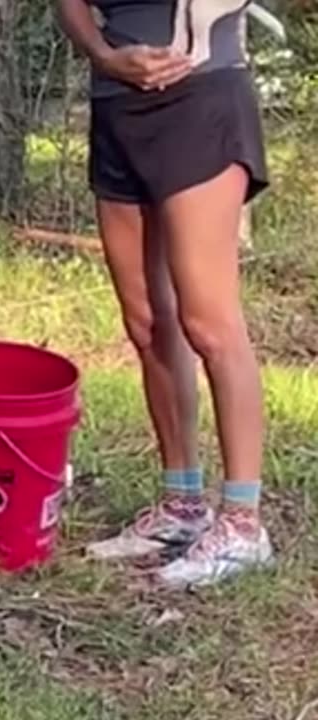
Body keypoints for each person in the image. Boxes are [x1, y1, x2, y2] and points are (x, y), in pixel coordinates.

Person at [54, 0, 275, 588]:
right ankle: (182, 506)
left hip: (200, 100)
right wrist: (102, 55)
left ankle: (243, 523)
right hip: (116, 105)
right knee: (148, 321)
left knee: (210, 322)